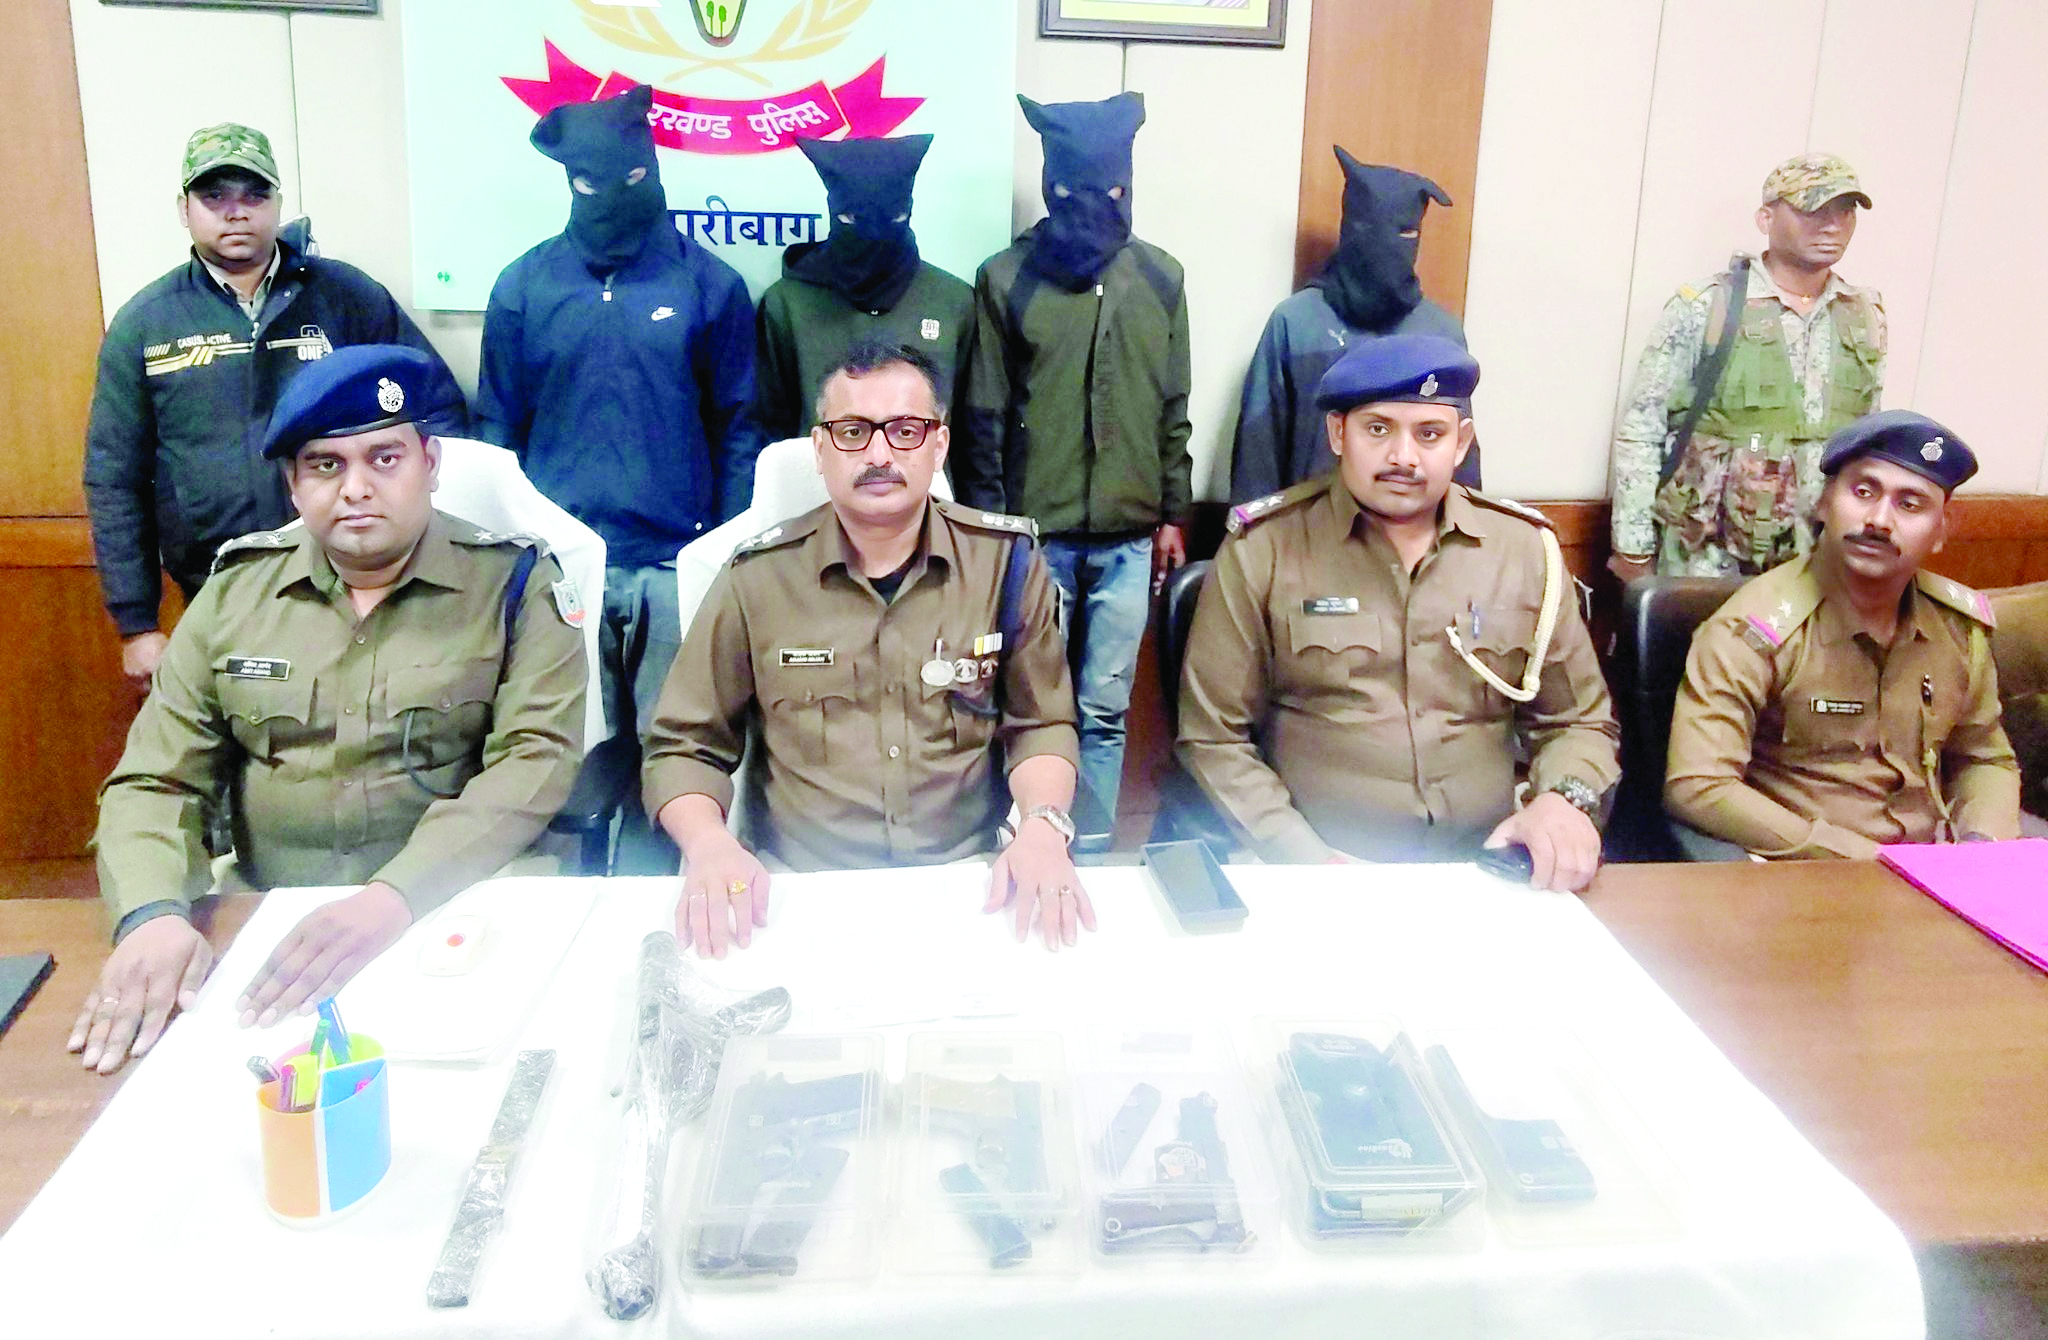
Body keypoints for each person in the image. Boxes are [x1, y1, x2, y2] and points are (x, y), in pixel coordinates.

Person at [69, 346, 587, 1076]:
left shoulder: (517, 582)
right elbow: (156, 779)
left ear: (430, 463)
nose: (357, 488)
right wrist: (152, 914)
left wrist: (392, 897)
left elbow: (536, 761)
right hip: (272, 921)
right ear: (293, 483)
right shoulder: (235, 592)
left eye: (384, 458)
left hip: (457, 908)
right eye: (325, 465)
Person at [642, 340, 1090, 956]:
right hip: (798, 891)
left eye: (905, 431)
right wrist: (708, 844)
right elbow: (683, 745)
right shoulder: (756, 579)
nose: (879, 455)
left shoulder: (1005, 564)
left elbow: (1041, 724)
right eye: (853, 432)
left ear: (939, 445)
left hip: (972, 880)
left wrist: (1042, 826)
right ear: (820, 449)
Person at [1178, 335, 1619, 891]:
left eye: (1429, 434)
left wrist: (1561, 801)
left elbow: (1577, 721)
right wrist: (1308, 862)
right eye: (1379, 429)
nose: (1404, 457)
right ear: (1338, 434)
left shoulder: (1523, 551)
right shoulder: (1265, 549)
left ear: (1461, 444)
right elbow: (1214, 738)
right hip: (1318, 870)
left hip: (1493, 864)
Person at [477, 84, 764, 873]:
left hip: (675, 564)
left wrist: (722, 549)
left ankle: (659, 894)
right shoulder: (524, 286)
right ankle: (576, 898)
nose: (613, 198)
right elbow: (497, 428)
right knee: (562, 760)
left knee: (677, 752)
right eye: (591, 183)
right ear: (569, 183)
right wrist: (515, 555)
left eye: (632, 179)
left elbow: (740, 425)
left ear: (655, 169)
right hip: (562, 572)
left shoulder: (710, 286)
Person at [85, 122, 468, 687]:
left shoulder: (347, 298)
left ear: (278, 203)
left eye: (255, 195)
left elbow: (439, 414)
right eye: (215, 196)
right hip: (219, 590)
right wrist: (137, 624)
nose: (236, 213)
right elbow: (115, 477)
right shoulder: (146, 324)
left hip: (358, 584)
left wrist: (423, 546)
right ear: (184, 209)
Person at [955, 92, 1191, 821]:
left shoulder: (1161, 278)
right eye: (1077, 191)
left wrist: (1173, 513)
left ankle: (1089, 849)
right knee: (1032, 706)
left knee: (1105, 711)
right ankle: (1031, 841)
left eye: (1110, 192)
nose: (1095, 207)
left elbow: (1173, 407)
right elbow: (983, 415)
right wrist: (992, 533)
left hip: (1130, 540)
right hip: (1036, 541)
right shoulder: (1005, 279)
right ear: (1052, 184)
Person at [1665, 411, 2019, 858]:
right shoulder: (1754, 631)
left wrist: (1982, 847)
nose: (1879, 520)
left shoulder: (1957, 628)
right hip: (1803, 869)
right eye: (1863, 492)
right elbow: (1699, 786)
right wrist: (1863, 858)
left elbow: (1984, 758)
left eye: (1910, 504)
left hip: (1933, 867)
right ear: (1823, 503)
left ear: (1940, 532)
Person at [1609, 153, 1884, 580]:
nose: (1832, 225)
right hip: (1709, 557)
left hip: (1819, 560)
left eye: (1844, 210)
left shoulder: (1864, 315)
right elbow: (1642, 427)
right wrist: (1633, 548)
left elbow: (1870, 437)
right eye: (1813, 209)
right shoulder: (1707, 306)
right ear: (1766, 218)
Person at [1231, 148, 1479, 502]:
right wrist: (1252, 529)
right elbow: (1258, 448)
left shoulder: (1441, 334)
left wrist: (1467, 529)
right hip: (1312, 527)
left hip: (1415, 528)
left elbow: (1460, 454)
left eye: (1407, 233)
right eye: (1378, 231)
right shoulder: (1296, 325)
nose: (1391, 247)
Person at [754, 134, 974, 440]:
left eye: (893, 217)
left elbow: (968, 426)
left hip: (925, 471)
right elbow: (771, 425)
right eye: (853, 218)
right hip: (819, 470)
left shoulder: (952, 303)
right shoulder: (787, 305)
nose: (874, 237)